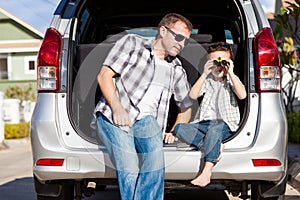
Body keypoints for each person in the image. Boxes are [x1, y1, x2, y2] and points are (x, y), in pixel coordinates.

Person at [93, 13, 193, 200]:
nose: (182, 44)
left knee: (155, 164)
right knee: (129, 166)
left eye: (186, 41)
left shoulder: (177, 69)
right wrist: (117, 108)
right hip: (114, 115)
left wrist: (174, 131)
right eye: (179, 37)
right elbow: (104, 76)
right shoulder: (132, 43)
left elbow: (186, 107)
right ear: (163, 31)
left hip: (148, 122)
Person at [171, 42, 247, 187]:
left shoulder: (231, 81)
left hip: (224, 124)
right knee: (179, 128)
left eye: (222, 61)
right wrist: (205, 73)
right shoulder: (208, 80)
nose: (218, 65)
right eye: (214, 62)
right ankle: (213, 146)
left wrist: (230, 72)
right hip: (203, 123)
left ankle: (206, 171)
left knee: (215, 127)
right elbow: (193, 95)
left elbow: (242, 95)